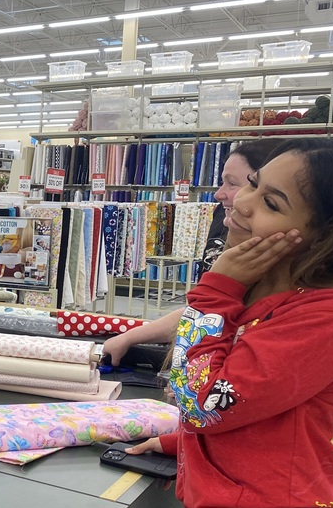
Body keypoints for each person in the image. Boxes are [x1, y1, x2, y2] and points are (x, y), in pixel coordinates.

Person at [129, 138, 333, 508]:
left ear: (323, 239)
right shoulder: (274, 302)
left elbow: (199, 399)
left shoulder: (322, 317)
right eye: (252, 184)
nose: (240, 204)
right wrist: (182, 444)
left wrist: (214, 290)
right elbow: (266, 408)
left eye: (272, 203)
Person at [101, 139, 288, 366]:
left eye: (233, 184)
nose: (219, 194)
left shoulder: (294, 291)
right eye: (223, 182)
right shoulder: (225, 221)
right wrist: (130, 337)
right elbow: (200, 311)